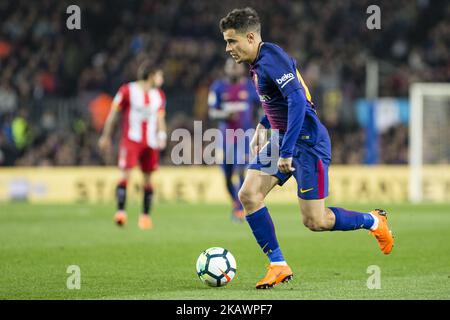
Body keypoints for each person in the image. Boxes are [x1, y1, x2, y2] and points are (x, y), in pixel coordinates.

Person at [219, 7, 394, 289]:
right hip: (282, 138)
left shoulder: (270, 59)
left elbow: (298, 101)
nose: (228, 48)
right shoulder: (262, 60)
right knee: (249, 194)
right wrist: (264, 125)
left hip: (308, 143)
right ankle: (278, 264)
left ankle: (373, 221)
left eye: (232, 41)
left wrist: (287, 150)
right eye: (226, 41)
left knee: (316, 220)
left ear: (250, 37)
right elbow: (281, 98)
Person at [98, 61, 167, 230]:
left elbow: (160, 119)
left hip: (150, 143)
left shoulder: (159, 95)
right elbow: (114, 113)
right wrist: (105, 136)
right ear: (151, 76)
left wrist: (162, 135)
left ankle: (145, 217)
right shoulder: (127, 91)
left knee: (148, 180)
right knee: (125, 175)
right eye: (159, 75)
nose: (162, 79)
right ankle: (120, 212)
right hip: (131, 141)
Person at [208, 57, 260, 222]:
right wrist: (225, 115)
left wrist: (261, 127)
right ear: (226, 69)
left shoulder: (250, 87)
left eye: (236, 67)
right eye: (230, 66)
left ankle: (240, 207)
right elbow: (212, 112)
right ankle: (236, 203)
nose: (233, 69)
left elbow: (261, 107)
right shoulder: (218, 87)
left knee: (241, 169)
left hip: (245, 135)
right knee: (227, 173)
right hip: (226, 136)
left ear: (241, 70)